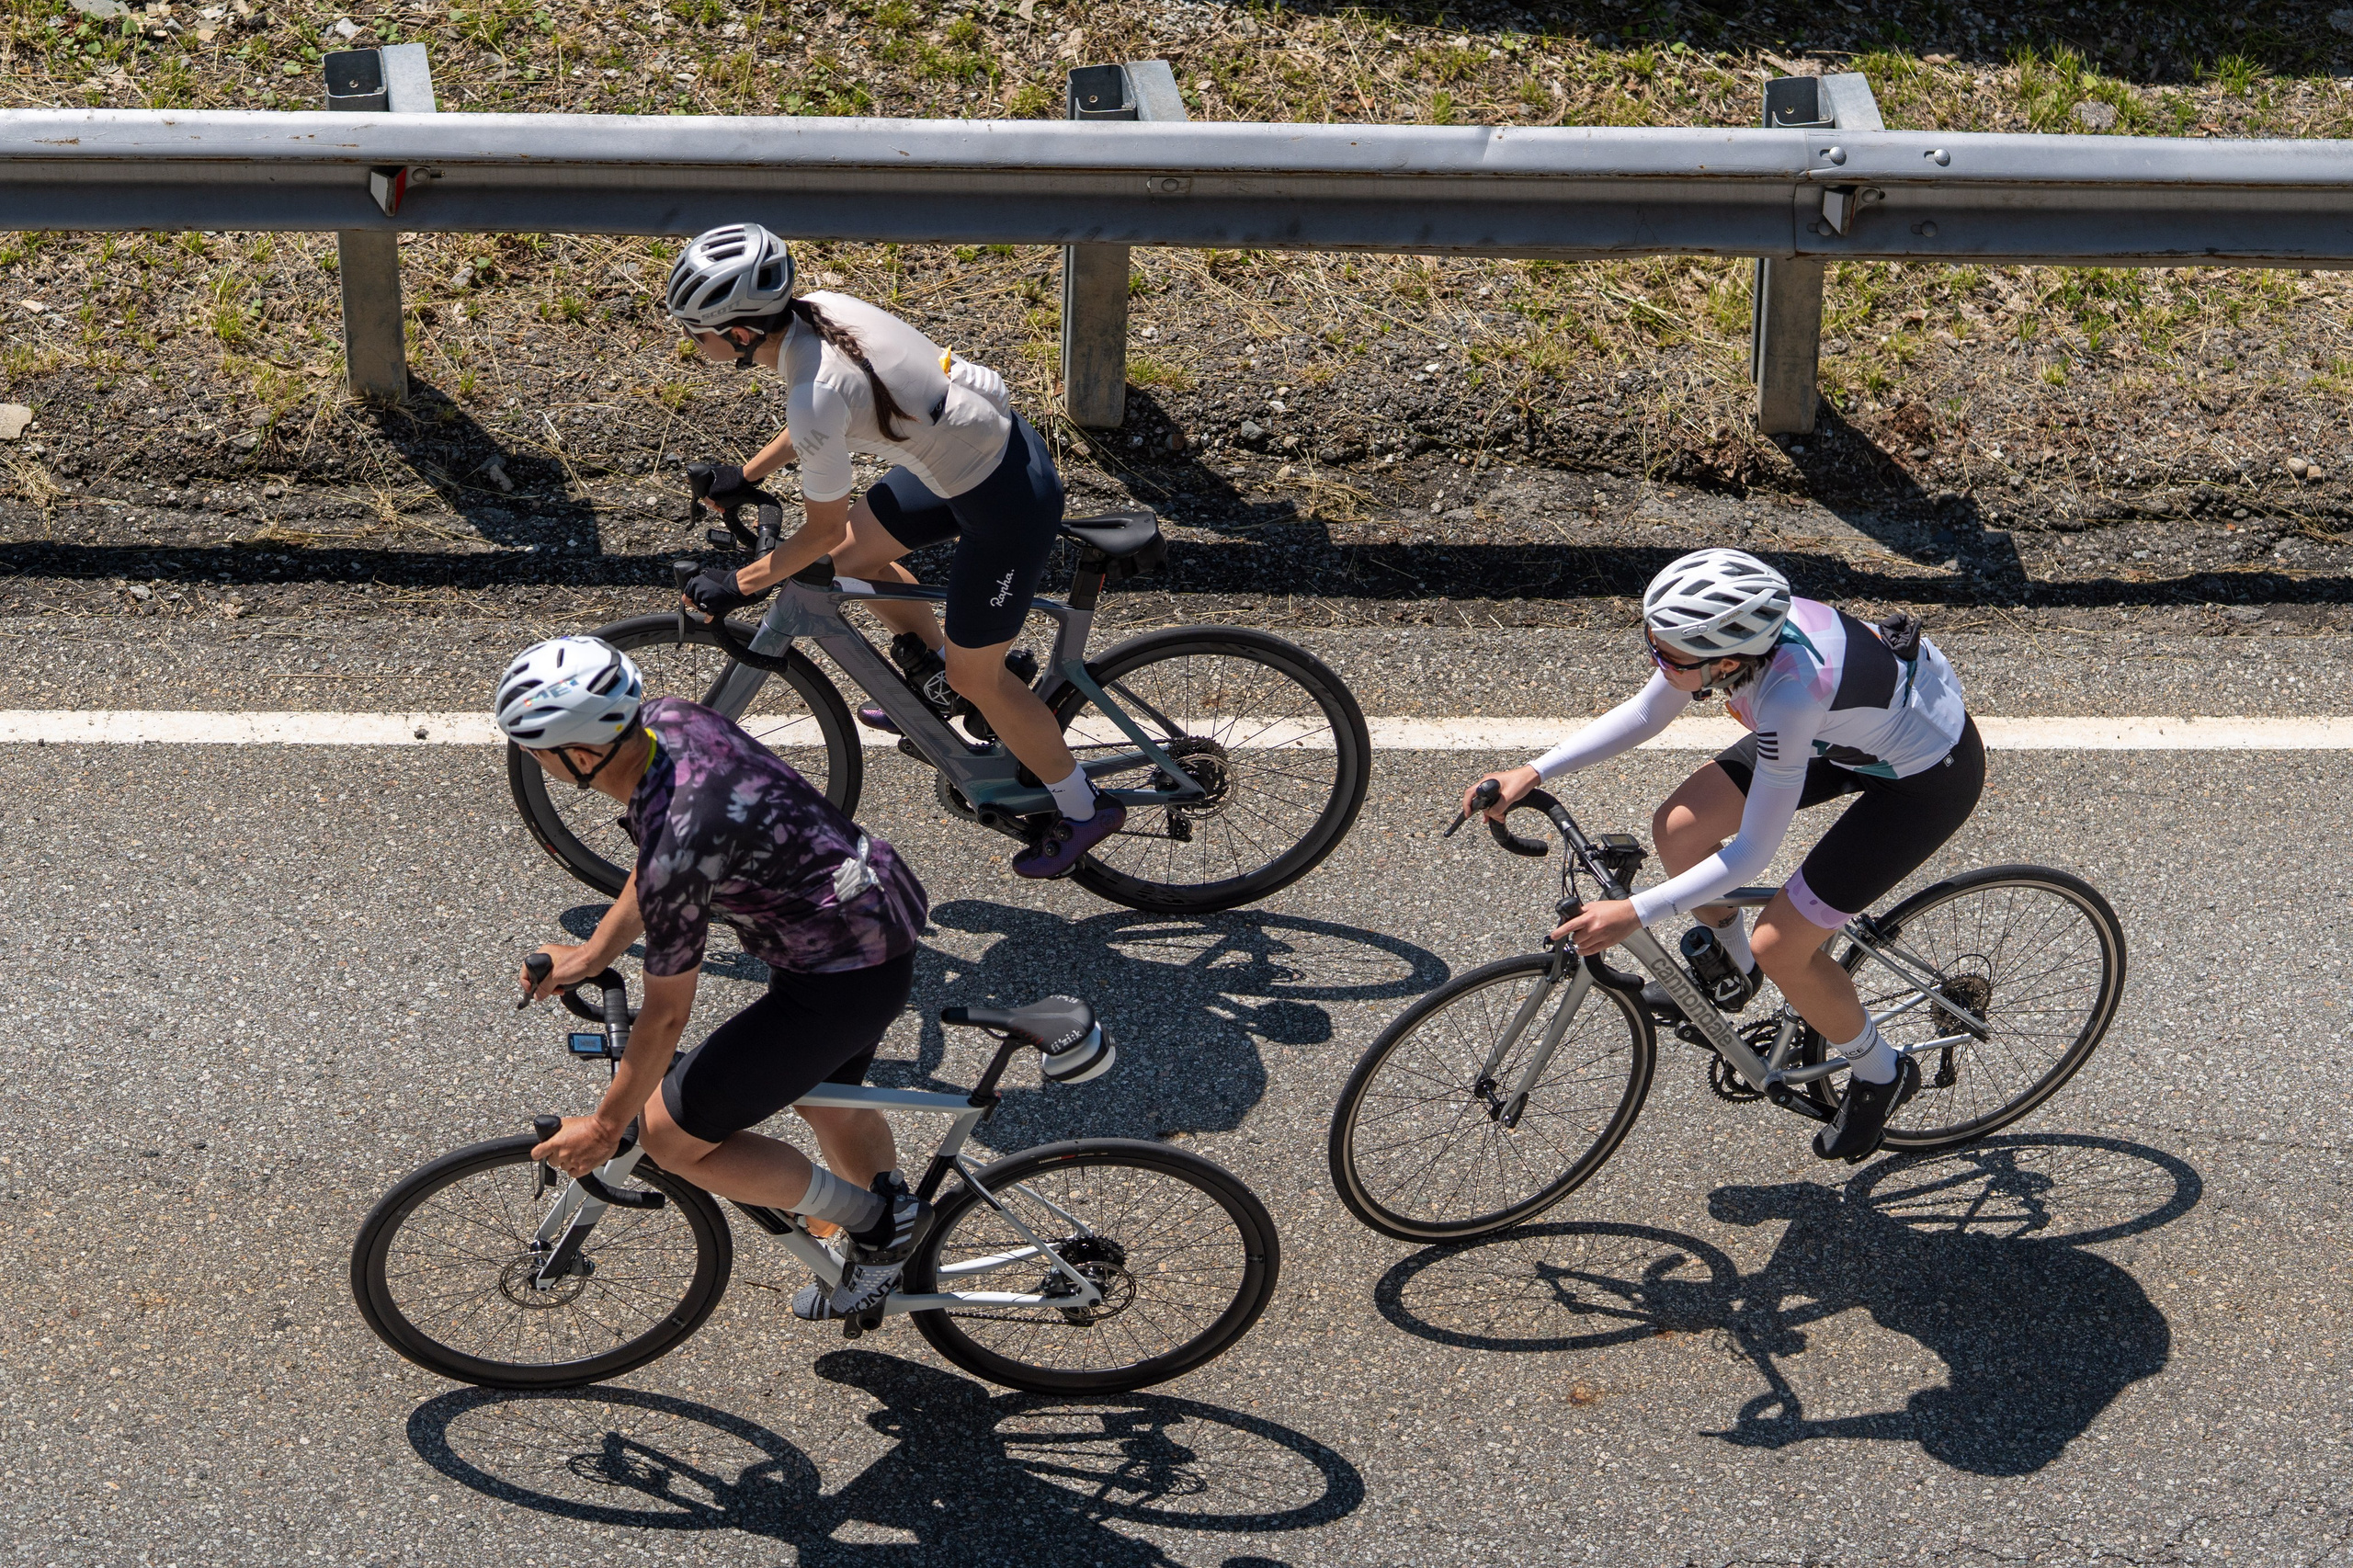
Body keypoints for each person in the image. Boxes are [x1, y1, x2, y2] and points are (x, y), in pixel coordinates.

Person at [1462, 549, 1983, 1162]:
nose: (1655, 660)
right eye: (1652, 641)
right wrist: (1533, 770)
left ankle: (1881, 1071)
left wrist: (1635, 912)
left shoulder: (1789, 697)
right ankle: (1734, 969)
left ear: (1727, 663)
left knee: (1781, 944)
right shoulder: (1734, 643)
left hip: (1923, 780)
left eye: (1668, 655)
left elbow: (1752, 852)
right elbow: (1645, 712)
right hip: (1843, 736)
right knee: (1679, 829)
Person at [663, 222, 1121, 880]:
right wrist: (748, 475)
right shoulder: (818, 310)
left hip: (1007, 499)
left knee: (979, 677)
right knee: (848, 565)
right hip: (963, 455)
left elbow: (819, 522)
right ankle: (937, 677)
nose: (689, 342)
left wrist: (741, 582)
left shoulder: (813, 389)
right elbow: (823, 422)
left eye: (694, 331)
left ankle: (1083, 806)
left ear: (738, 333)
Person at [496, 633, 937, 1320]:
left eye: (534, 749)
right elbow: (660, 858)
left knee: (668, 1137)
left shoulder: (680, 839)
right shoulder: (670, 719)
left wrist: (607, 1127)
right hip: (874, 912)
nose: (531, 760)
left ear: (580, 755)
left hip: (841, 972)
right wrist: (591, 956)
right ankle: (894, 1228)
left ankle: (881, 1226)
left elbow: (667, 1014)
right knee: (828, 1101)